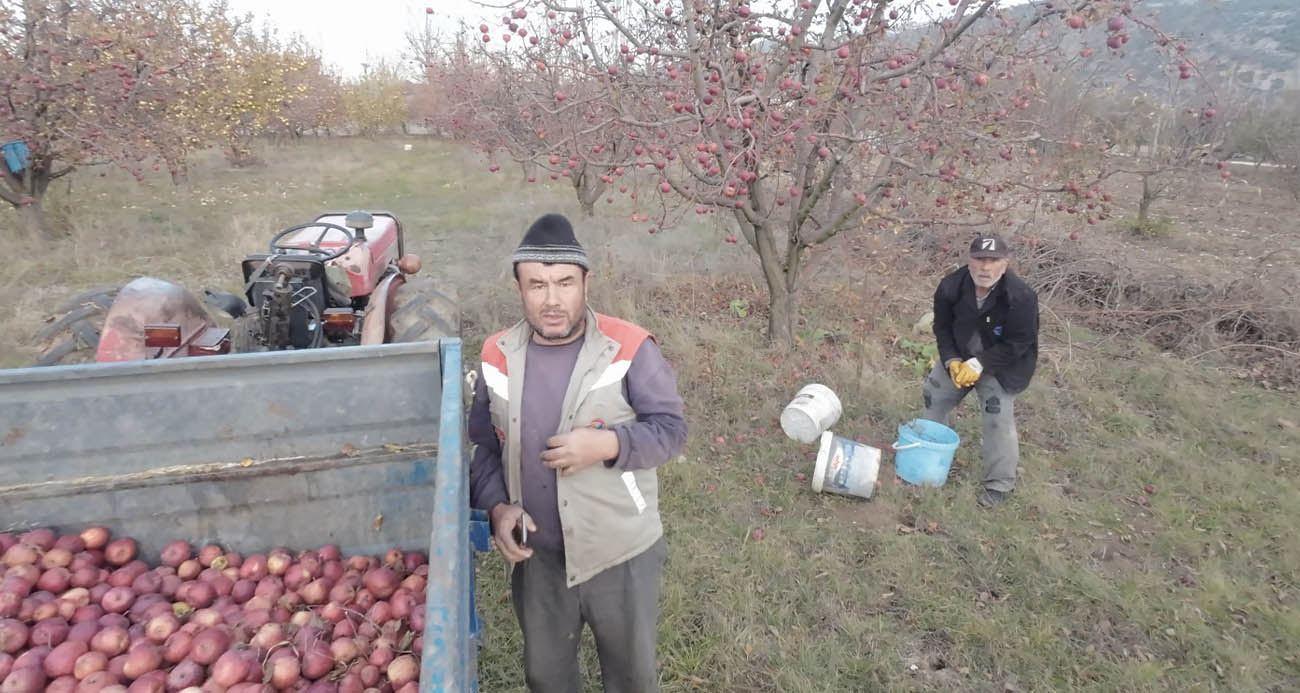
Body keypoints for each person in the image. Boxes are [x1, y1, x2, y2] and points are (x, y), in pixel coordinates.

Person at [467, 213, 688, 693]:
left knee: (631, 677)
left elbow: (671, 430)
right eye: (536, 285)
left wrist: (608, 444)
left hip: (620, 551)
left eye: (564, 283)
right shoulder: (496, 354)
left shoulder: (628, 347)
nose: (551, 300)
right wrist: (498, 508)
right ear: (519, 288)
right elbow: (484, 446)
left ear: (587, 282)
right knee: (546, 677)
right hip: (539, 554)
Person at [921, 233, 1039, 508]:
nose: (985, 268)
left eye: (993, 260)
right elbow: (942, 327)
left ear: (1005, 264)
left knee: (998, 421)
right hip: (960, 358)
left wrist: (981, 364)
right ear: (969, 260)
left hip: (1001, 366)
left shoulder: (1021, 297)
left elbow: (1020, 342)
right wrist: (951, 360)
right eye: (979, 260)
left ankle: (998, 485)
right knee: (933, 399)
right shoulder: (950, 287)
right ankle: (929, 460)